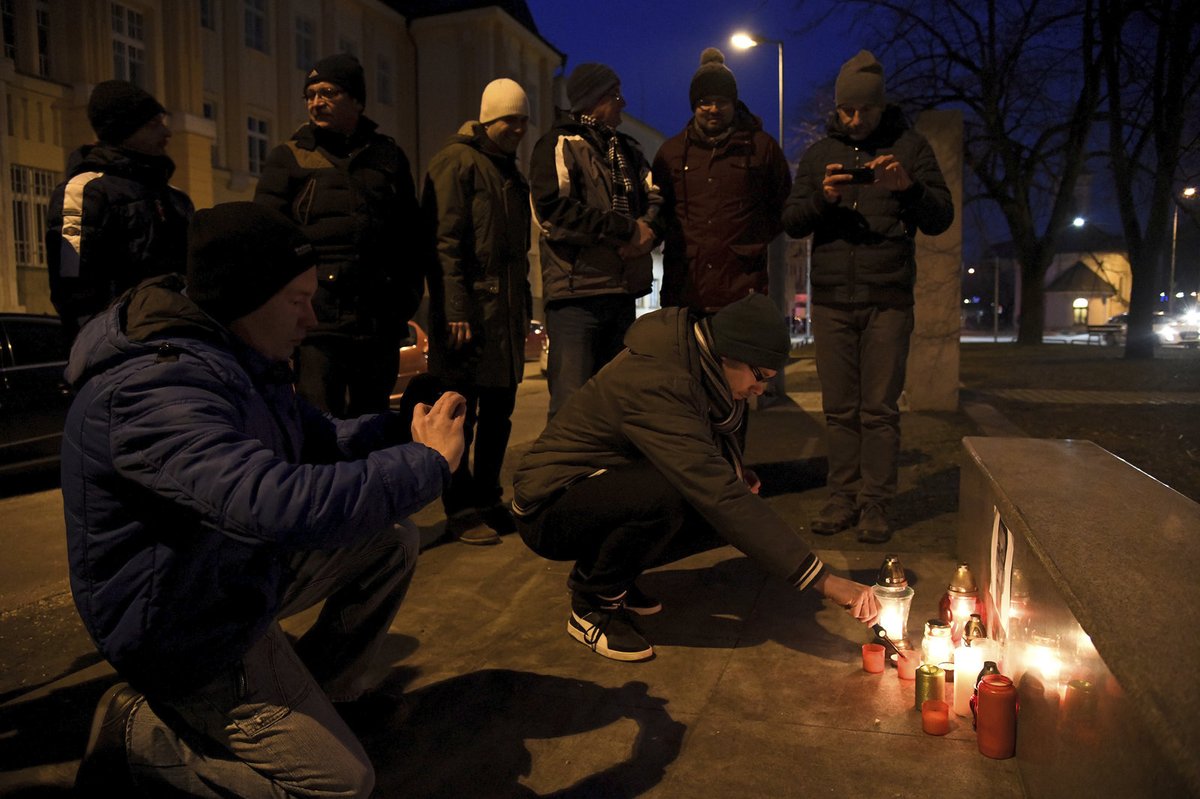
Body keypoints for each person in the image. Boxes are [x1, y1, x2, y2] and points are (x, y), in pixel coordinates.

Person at [64, 202, 466, 797]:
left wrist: (403, 428)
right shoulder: (156, 387)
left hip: (228, 571)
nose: (311, 318)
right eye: (296, 299)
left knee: (390, 538)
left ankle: (330, 695)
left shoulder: (233, 353)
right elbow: (276, 504)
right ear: (245, 296)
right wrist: (425, 465)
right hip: (180, 623)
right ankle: (138, 736)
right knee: (341, 785)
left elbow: (317, 440)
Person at [512, 293, 880, 662]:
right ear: (729, 354)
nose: (760, 390)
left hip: (601, 488)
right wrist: (827, 582)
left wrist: (734, 475)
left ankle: (614, 577)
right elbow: (714, 489)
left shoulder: (701, 373)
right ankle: (593, 602)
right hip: (549, 507)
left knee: (719, 503)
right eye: (760, 376)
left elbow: (709, 474)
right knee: (676, 493)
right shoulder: (660, 378)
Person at [783, 50, 954, 544]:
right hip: (834, 299)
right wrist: (824, 198)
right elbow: (792, 221)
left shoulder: (911, 147)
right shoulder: (818, 155)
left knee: (879, 409)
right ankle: (842, 497)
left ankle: (876, 503)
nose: (854, 119)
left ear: (882, 107)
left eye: (864, 110)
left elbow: (941, 217)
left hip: (888, 299)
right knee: (839, 408)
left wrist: (908, 188)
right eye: (846, 110)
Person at [254, 53, 423, 417]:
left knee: (372, 424)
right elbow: (268, 241)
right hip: (316, 324)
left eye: (328, 92)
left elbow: (410, 237)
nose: (316, 102)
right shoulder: (289, 158)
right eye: (310, 94)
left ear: (357, 101)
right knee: (319, 423)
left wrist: (402, 302)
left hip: (377, 323)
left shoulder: (388, 157)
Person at [422, 78, 533, 545]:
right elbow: (443, 242)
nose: (519, 130)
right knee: (459, 414)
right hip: (469, 315)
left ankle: (488, 497)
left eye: (524, 121)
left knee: (500, 414)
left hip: (503, 315)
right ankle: (460, 507)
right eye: (511, 120)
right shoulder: (457, 162)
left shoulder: (508, 171)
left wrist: (521, 309)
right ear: (490, 119)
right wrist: (455, 307)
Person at [529, 62, 662, 420]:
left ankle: (606, 476)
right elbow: (553, 211)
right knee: (571, 408)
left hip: (620, 292)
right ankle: (565, 476)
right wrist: (626, 230)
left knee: (616, 403)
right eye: (615, 95)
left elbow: (656, 202)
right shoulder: (557, 144)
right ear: (594, 100)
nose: (623, 103)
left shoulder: (629, 151)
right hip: (575, 299)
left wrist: (645, 235)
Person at [46, 80, 194, 339]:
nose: (167, 133)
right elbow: (72, 286)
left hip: (181, 344)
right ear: (125, 130)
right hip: (120, 352)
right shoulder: (81, 193)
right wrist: (104, 346)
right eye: (153, 124)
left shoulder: (175, 198)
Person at [654, 48, 792, 313]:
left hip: (742, 291)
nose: (714, 109)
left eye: (722, 101)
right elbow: (659, 212)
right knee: (688, 356)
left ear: (734, 103)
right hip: (684, 290)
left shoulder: (761, 148)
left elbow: (782, 206)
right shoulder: (670, 153)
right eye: (705, 101)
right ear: (695, 104)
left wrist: (747, 244)